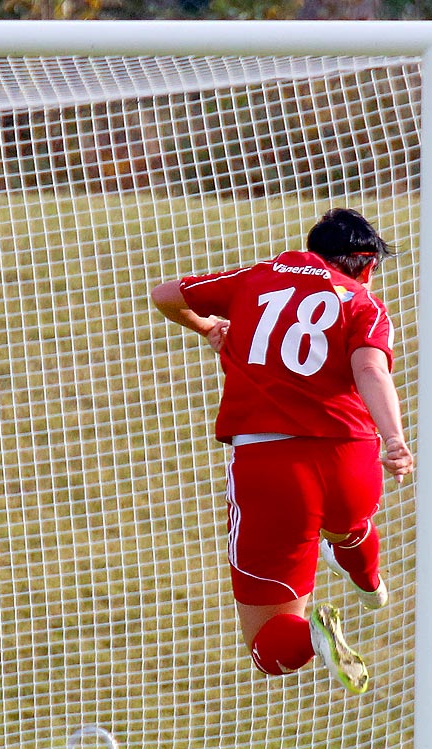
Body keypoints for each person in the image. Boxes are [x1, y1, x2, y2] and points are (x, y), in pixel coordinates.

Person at [150, 208, 414, 694]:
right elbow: (372, 371)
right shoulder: (364, 305)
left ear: (314, 251)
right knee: (346, 522)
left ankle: (314, 637)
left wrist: (208, 328)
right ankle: (368, 578)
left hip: (269, 469)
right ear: (367, 266)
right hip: (351, 461)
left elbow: (165, 294)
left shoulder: (260, 277)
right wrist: (394, 439)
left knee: (268, 647)